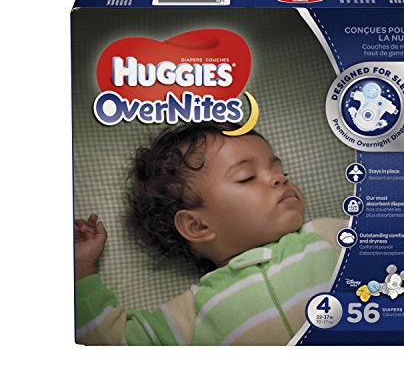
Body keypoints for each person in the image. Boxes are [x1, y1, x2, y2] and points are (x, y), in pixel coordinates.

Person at [75, 122, 346, 345]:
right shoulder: (194, 314)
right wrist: (82, 270)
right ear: (198, 226)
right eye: (247, 177)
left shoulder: (327, 236)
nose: (280, 178)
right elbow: (112, 344)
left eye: (280, 170)